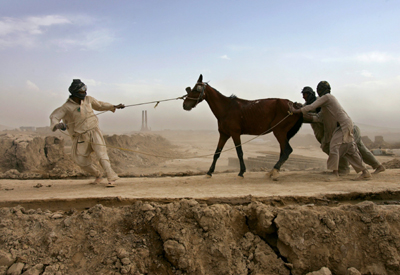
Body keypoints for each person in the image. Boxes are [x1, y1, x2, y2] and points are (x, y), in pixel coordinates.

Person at [50, 79, 125, 187]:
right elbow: (54, 116)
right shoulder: (66, 107)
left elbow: (99, 105)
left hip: (94, 131)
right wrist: (57, 125)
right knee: (80, 160)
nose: (84, 93)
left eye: (85, 91)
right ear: (75, 92)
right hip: (80, 136)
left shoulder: (88, 100)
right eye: (81, 92)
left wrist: (113, 106)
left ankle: (111, 177)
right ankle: (98, 174)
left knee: (102, 155)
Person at [289, 81, 371, 180]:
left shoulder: (327, 97)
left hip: (342, 126)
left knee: (334, 146)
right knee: (351, 150)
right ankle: (365, 172)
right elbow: (317, 118)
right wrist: (302, 114)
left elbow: (311, 107)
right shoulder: (325, 107)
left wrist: (296, 111)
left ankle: (335, 174)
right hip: (343, 126)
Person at [300, 87, 385, 175]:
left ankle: (343, 169)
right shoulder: (308, 105)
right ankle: (371, 168)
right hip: (337, 130)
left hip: (343, 128)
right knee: (352, 149)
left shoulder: (321, 102)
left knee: (342, 148)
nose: (303, 97)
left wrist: (299, 113)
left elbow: (316, 116)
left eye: (305, 94)